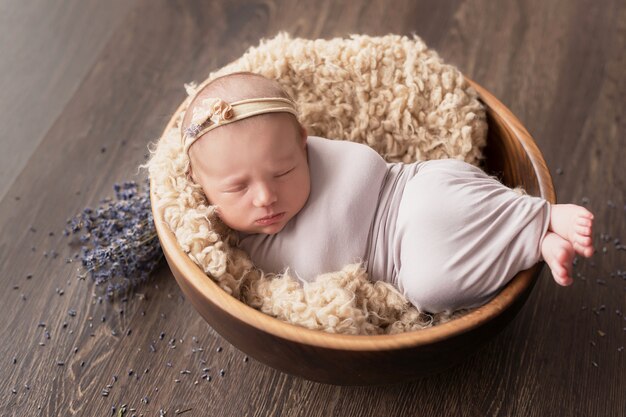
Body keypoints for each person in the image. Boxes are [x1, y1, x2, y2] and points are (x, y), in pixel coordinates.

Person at [180, 71, 595, 314]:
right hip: (400, 262)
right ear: (201, 187)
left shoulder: (311, 151)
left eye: (283, 170)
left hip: (410, 188)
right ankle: (532, 242)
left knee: (448, 190)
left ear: (303, 143)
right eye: (237, 187)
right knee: (433, 285)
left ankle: (539, 215)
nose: (265, 197)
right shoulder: (243, 253)